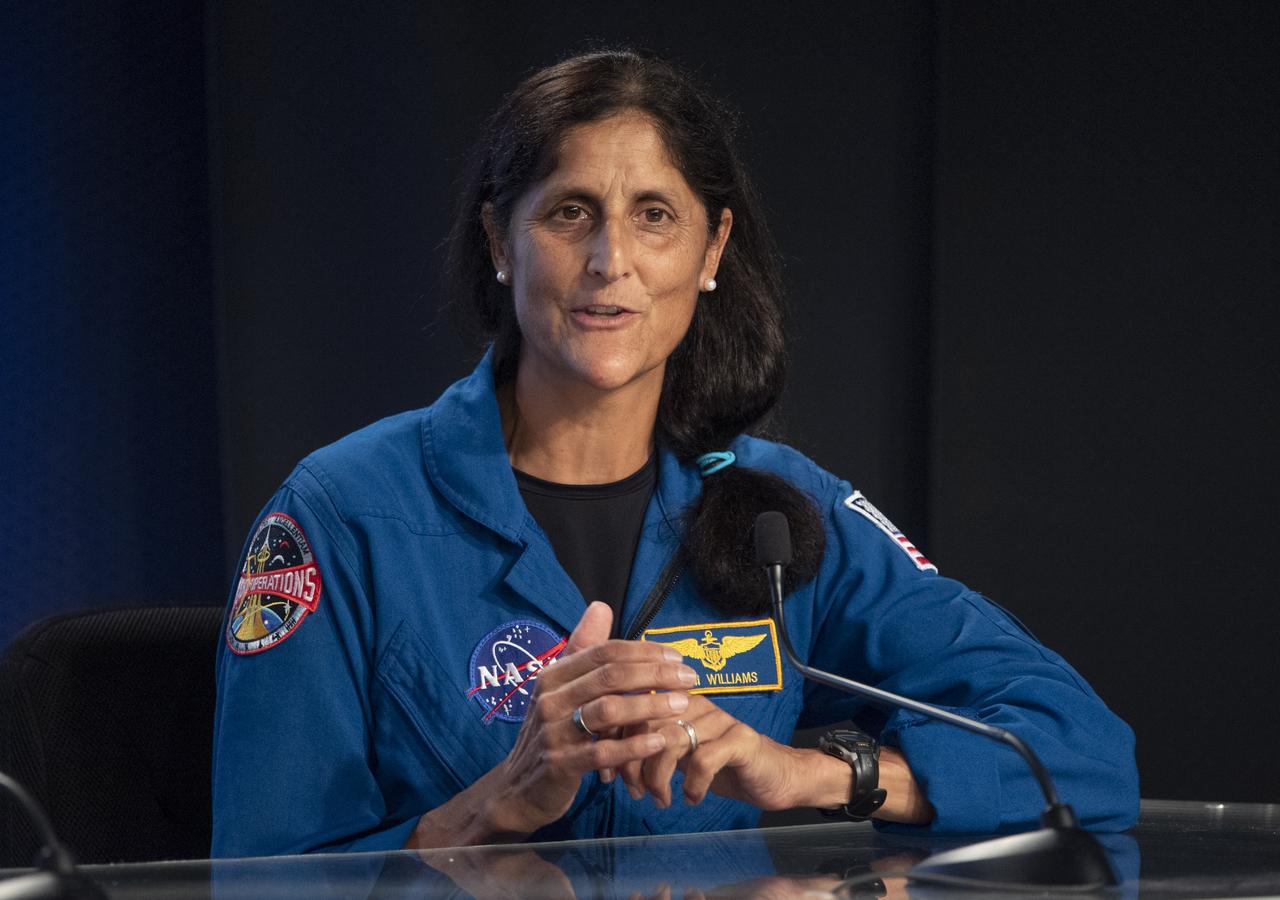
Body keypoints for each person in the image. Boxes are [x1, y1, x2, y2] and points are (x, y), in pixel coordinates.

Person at [211, 49, 1138, 858]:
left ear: (711, 249)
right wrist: (496, 806)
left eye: (655, 215)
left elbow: (1083, 754)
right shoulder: (341, 515)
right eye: (571, 212)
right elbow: (258, 874)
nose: (612, 258)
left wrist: (813, 773)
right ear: (500, 241)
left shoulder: (781, 512)